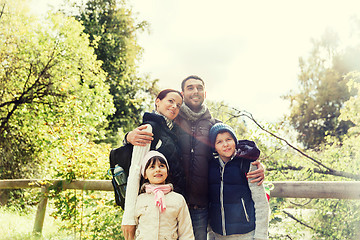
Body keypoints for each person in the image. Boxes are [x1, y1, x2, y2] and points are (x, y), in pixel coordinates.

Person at [125, 75, 265, 240]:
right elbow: (139, 152)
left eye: (199, 87)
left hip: (201, 206)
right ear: (183, 94)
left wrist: (258, 165)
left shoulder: (214, 125)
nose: (195, 91)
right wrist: (128, 137)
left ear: (205, 93)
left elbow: (233, 149)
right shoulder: (171, 122)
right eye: (190, 88)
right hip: (169, 202)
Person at [121, 89, 186, 240]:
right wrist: (128, 217)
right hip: (148, 207)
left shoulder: (172, 132)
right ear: (158, 101)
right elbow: (135, 170)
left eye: (178, 105)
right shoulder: (149, 128)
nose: (174, 107)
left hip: (168, 208)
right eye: (170, 101)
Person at [207, 123, 269, 240]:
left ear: (235, 141)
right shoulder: (211, 167)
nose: (225, 144)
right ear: (214, 147)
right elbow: (210, 204)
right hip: (219, 235)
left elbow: (261, 203)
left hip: (246, 234)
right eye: (219, 142)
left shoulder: (247, 164)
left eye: (228, 139)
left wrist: (261, 236)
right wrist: (211, 234)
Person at [134, 150, 194, 240]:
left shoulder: (178, 199)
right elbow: (134, 227)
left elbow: (186, 232)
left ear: (167, 171)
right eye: (152, 167)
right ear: (145, 174)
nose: (157, 169)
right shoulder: (139, 199)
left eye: (161, 166)